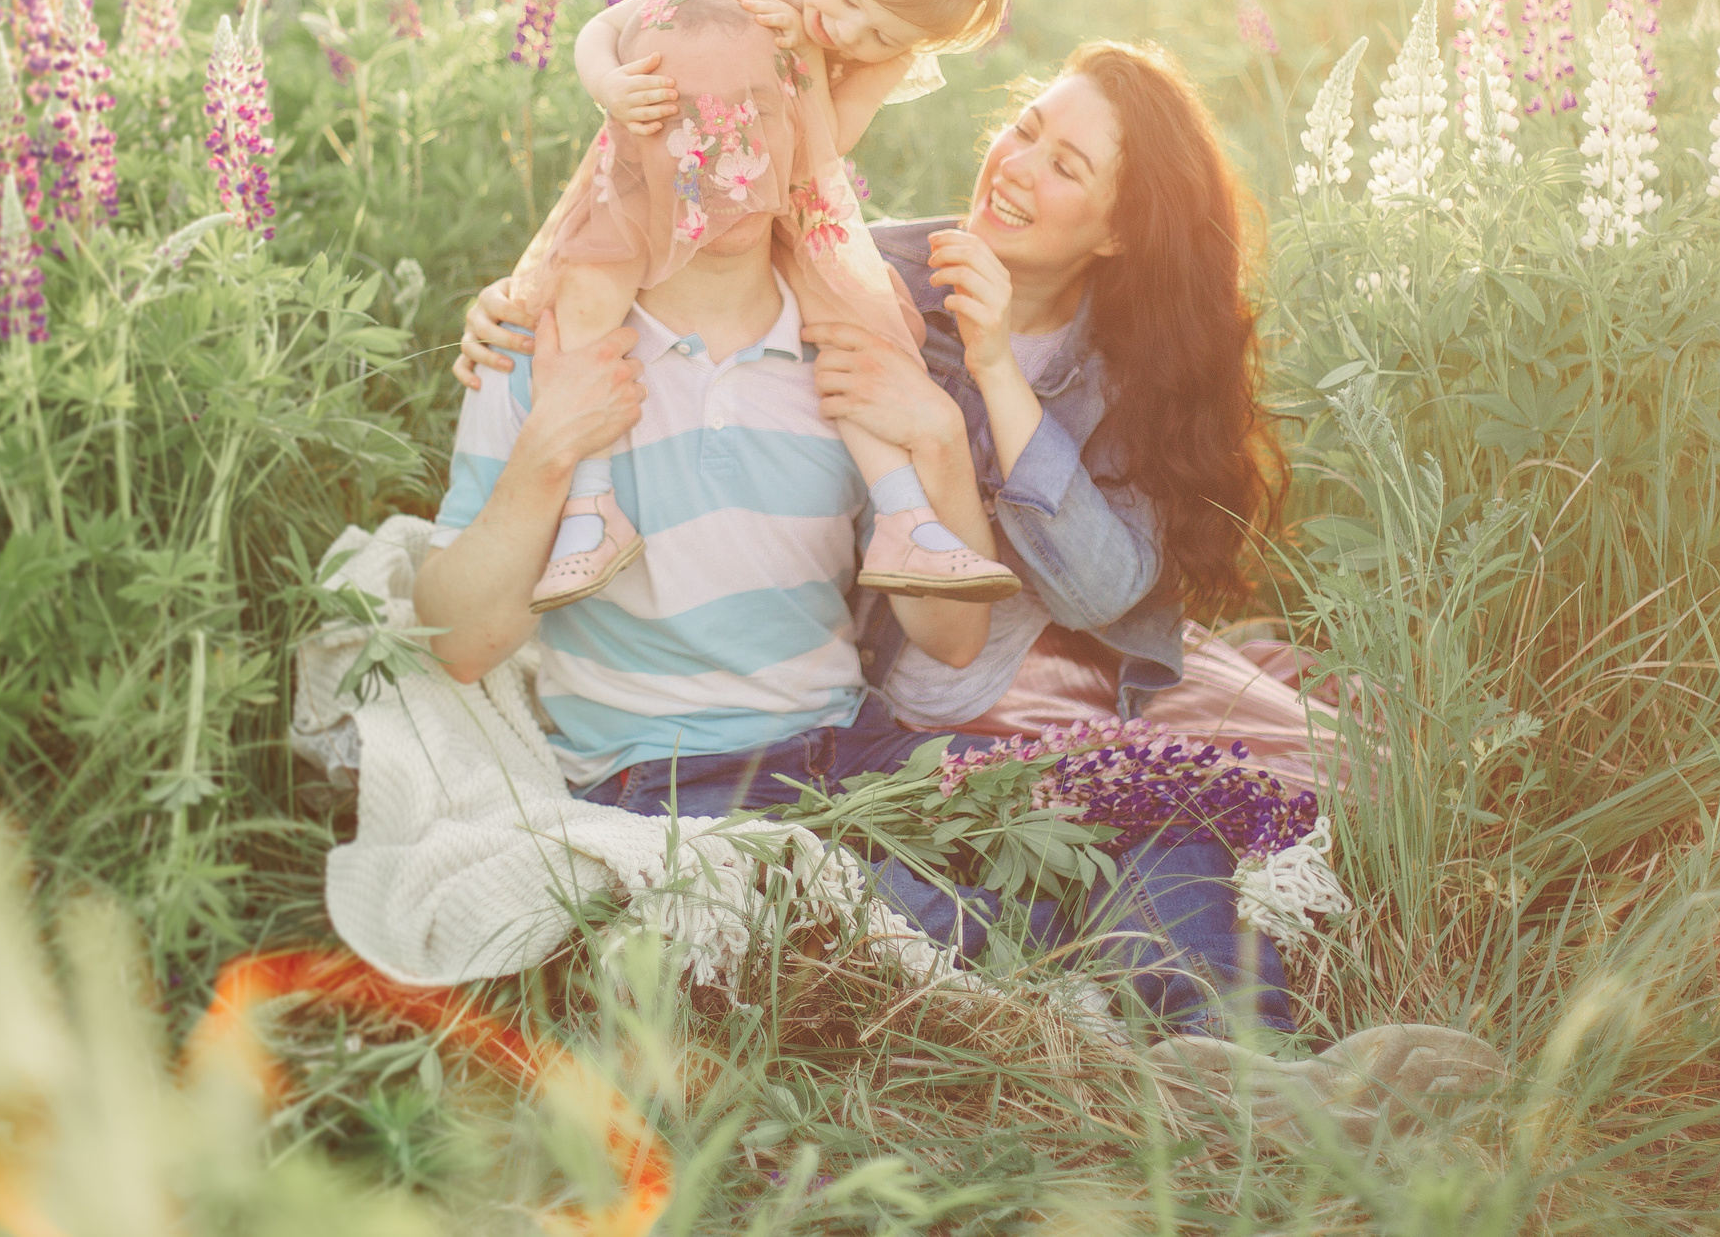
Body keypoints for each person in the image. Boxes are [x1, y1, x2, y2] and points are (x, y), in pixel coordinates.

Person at [412, 174, 1296, 1036]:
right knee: (916, 918)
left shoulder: (845, 340)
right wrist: (550, 449)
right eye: (688, 114)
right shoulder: (544, 342)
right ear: (634, 134)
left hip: (850, 745)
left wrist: (940, 439)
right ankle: (1112, 1000)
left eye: (750, 114)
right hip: (668, 779)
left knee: (1147, 798)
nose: (721, 154)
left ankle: (1243, 1067)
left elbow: (950, 638)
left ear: (797, 135)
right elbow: (459, 644)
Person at [463, 41, 1347, 789]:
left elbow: (1104, 591)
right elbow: (718, 214)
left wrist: (995, 366)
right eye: (1025, 128)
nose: (1017, 165)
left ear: (1115, 235)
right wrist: (524, 292)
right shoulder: (876, 276)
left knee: (1318, 774)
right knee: (1199, 794)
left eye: (1065, 167)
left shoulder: (1126, 364)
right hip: (931, 678)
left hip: (1068, 658)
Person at [511, 0, 1025, 616]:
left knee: (857, 329)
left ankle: (906, 522)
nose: (850, 31)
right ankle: (591, 508)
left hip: (788, 188)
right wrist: (609, 85)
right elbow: (607, 28)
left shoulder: (888, 44)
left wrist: (809, 59)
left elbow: (833, 137)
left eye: (880, 34)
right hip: (672, 158)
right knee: (583, 297)